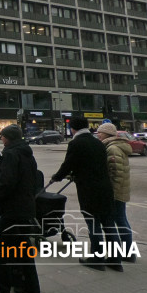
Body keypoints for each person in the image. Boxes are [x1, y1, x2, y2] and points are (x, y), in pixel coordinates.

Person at [52, 116, 121, 272]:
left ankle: (97, 258)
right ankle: (115, 260)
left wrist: (57, 177)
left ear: (73, 129)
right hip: (105, 188)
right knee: (109, 224)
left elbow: (68, 163)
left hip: (90, 190)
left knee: (93, 224)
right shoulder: (98, 143)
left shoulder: (76, 143)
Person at [0, 124, 41, 293]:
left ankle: (4, 288)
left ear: (8, 138)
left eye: (2, 136)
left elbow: (6, 182)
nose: (1, 138)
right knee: (23, 249)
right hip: (25, 207)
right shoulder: (27, 153)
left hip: (12, 209)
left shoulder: (10, 154)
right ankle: (31, 288)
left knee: (3, 249)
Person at [96, 122, 135, 263]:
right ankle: (128, 252)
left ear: (108, 134)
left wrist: (111, 192)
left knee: (118, 221)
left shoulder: (112, 148)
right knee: (121, 220)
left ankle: (126, 252)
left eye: (100, 132)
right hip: (121, 189)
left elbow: (115, 173)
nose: (98, 134)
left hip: (116, 191)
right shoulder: (115, 146)